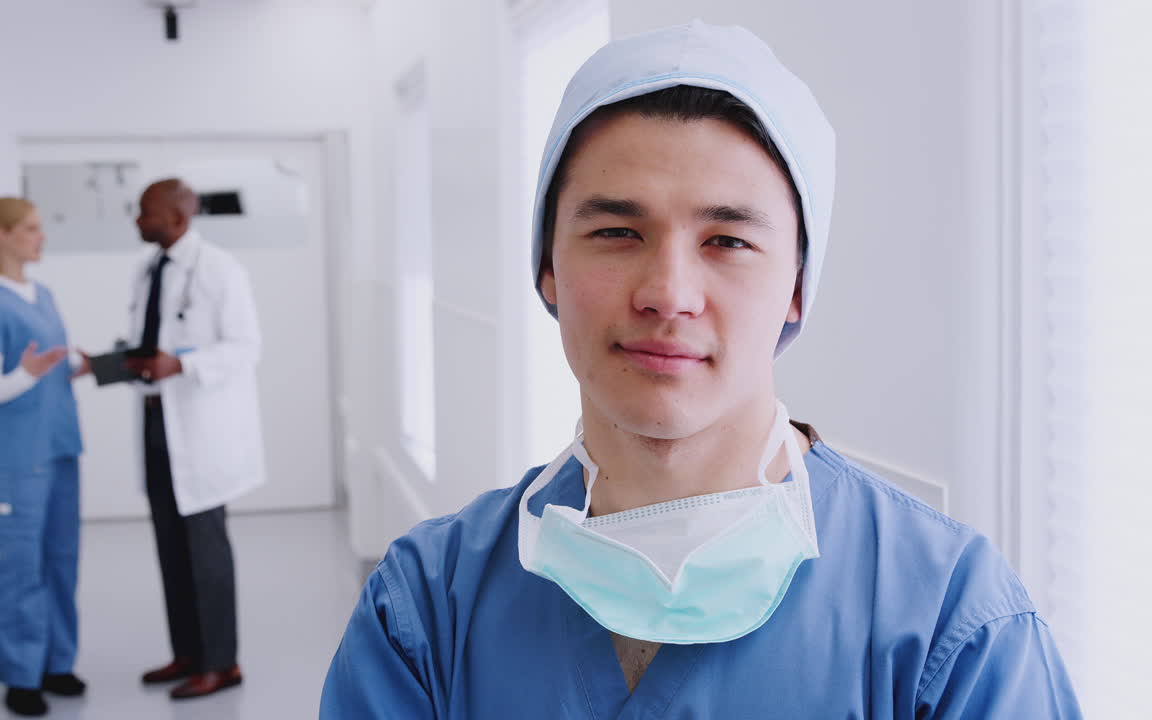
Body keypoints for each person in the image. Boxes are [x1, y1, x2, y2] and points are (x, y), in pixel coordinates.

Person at [320, 22, 1083, 718]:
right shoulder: (426, 611)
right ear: (547, 266)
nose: (668, 294)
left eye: (728, 241)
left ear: (797, 285)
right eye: (617, 231)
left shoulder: (951, 623)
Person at [124, 178, 265, 700]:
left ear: (177, 217)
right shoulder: (147, 271)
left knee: (206, 549)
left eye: (145, 212)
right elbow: (150, 339)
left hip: (202, 429)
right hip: (156, 421)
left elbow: (246, 347)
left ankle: (221, 663)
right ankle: (186, 653)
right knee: (169, 543)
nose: (138, 220)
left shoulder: (221, 270)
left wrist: (182, 364)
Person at [0, 197, 92, 717]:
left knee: (62, 561)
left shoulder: (43, 295)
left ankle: (56, 664)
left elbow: (52, 358)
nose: (41, 237)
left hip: (60, 446)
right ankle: (21, 675)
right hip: (18, 456)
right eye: (31, 229)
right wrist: (29, 373)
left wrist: (78, 362)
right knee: (23, 567)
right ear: (1, 235)